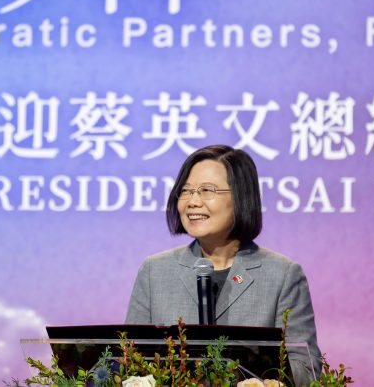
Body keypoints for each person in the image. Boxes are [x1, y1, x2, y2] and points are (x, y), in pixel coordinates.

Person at [125, 145, 322, 386]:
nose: (193, 202)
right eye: (186, 191)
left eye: (207, 190)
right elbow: (128, 361)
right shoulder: (155, 272)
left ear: (240, 197)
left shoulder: (282, 275)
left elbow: (306, 369)